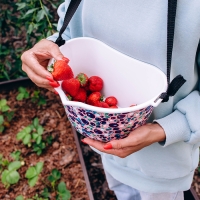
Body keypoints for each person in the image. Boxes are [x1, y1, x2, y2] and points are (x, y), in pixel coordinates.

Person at [21, 1, 200, 199]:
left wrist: (169, 128)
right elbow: (73, 29)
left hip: (160, 164)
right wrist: (52, 53)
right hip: (104, 142)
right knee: (122, 192)